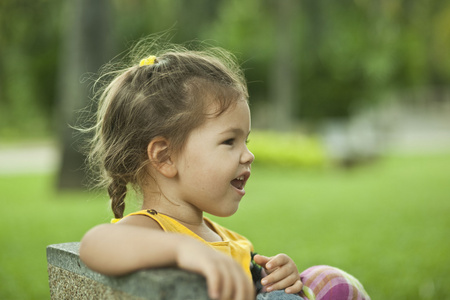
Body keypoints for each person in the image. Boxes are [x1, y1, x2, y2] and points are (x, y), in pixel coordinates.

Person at [79, 40, 370, 300]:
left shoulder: (224, 236)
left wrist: (279, 280)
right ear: (165, 157)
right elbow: (94, 245)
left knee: (326, 279)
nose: (249, 154)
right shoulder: (153, 229)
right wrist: (183, 250)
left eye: (246, 140)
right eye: (229, 141)